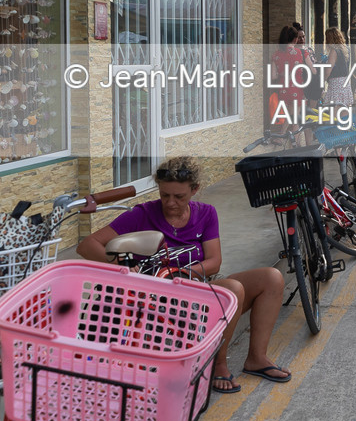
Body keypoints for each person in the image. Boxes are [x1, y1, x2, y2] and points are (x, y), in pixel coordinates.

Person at [77, 156, 289, 394]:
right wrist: (120, 266)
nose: (170, 203)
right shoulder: (142, 214)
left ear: (195, 190)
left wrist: (177, 274)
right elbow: (87, 245)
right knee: (234, 289)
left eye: (179, 196)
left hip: (194, 288)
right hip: (157, 296)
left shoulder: (206, 213)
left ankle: (256, 358)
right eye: (164, 194)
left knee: (272, 278)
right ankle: (218, 364)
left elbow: (214, 262)